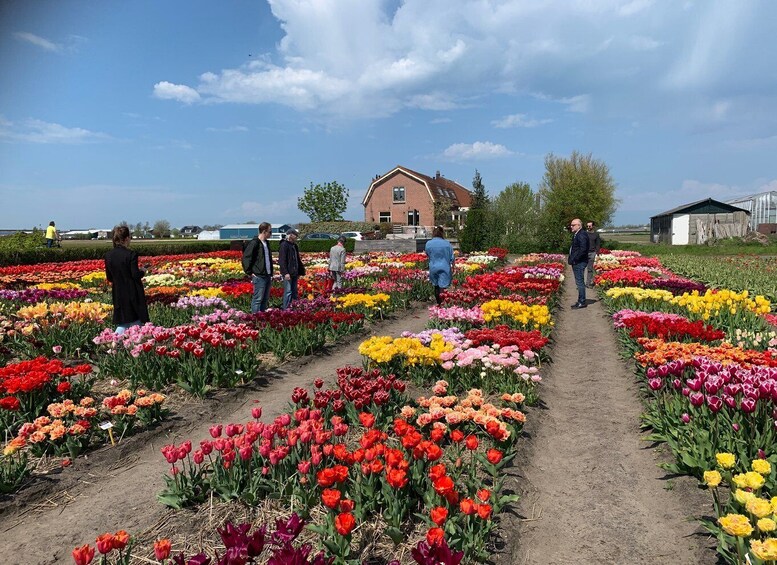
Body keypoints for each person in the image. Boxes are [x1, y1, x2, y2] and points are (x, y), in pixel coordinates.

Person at [105, 225, 150, 334]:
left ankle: (117, 343)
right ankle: (119, 342)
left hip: (118, 292)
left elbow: (109, 277)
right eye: (129, 237)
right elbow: (135, 275)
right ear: (126, 239)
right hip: (132, 291)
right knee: (136, 318)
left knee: (125, 320)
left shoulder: (108, 255)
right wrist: (143, 271)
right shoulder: (131, 254)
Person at [242, 222, 274, 313]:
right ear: (264, 231)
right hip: (259, 275)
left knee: (265, 299)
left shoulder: (266, 243)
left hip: (267, 274)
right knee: (258, 299)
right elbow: (246, 257)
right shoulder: (255, 243)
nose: (271, 234)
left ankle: (262, 318)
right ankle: (255, 318)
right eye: (270, 232)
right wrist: (249, 272)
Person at [424, 225, 454, 305]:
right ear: (442, 233)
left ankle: (438, 303)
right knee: (442, 286)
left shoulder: (429, 243)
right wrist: (453, 268)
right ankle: (442, 303)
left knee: (436, 285)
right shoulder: (447, 244)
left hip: (433, 266)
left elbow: (427, 254)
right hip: (444, 267)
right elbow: (452, 257)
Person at [279, 228, 305, 309]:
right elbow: (282, 260)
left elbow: (297, 259)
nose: (296, 237)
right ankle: (286, 308)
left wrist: (300, 271)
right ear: (290, 235)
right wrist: (285, 272)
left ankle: (294, 307)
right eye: (295, 235)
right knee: (288, 291)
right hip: (288, 273)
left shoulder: (294, 245)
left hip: (294, 272)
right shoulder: (284, 245)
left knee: (294, 292)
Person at [568, 218, 590, 309]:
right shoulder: (578, 234)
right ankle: (580, 300)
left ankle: (582, 301)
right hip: (578, 261)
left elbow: (583, 249)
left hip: (579, 262)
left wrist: (575, 259)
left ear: (579, 225)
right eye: (571, 225)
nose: (571, 227)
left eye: (573, 225)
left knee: (580, 282)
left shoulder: (581, 234)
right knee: (579, 282)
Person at [585, 220, 601, 288]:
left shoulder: (596, 234)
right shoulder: (584, 234)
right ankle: (580, 284)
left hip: (592, 253)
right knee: (582, 268)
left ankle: (588, 283)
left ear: (593, 226)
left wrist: (597, 253)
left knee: (590, 268)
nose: (588, 227)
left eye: (590, 226)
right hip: (584, 253)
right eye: (587, 226)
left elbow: (598, 244)